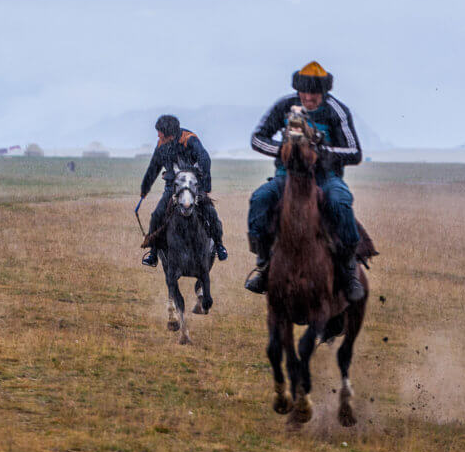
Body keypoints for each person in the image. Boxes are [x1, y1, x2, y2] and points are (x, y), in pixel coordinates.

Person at [244, 61, 364, 300]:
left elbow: (354, 151)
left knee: (340, 203)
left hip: (325, 179)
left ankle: (350, 269)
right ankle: (264, 262)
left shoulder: (336, 110)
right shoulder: (285, 105)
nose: (308, 97)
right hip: (286, 177)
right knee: (260, 198)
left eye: (314, 93)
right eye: (305, 92)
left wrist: (321, 152)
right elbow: (257, 138)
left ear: (324, 92)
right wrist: (284, 150)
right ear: (298, 90)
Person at [140, 114, 227, 266]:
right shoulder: (161, 144)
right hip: (172, 187)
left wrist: (205, 188)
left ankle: (219, 245)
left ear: (170, 135)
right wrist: (144, 189)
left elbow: (205, 159)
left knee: (210, 211)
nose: (158, 135)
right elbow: (154, 167)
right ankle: (153, 253)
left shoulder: (190, 139)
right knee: (157, 215)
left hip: (193, 186)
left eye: (160, 132)